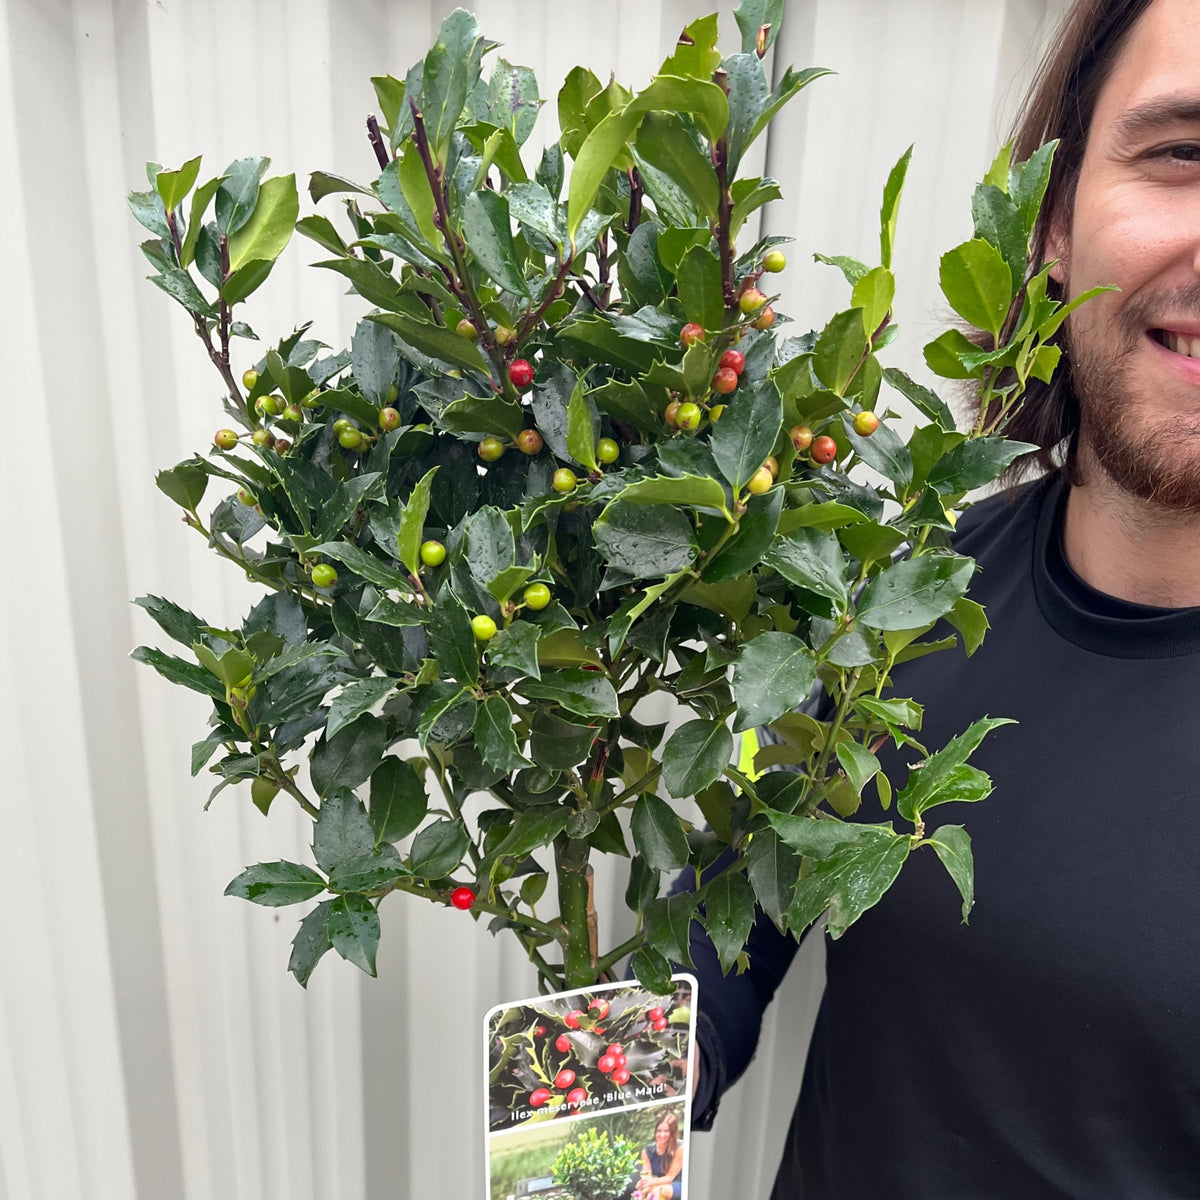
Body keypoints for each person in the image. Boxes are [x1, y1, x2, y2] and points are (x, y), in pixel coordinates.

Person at [684, 0, 1200, 1195]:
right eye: (1183, 152)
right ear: (1051, 220)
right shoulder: (884, 601)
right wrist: (588, 1127)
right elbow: (724, 919)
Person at [634, 1112, 683, 1200]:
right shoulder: (647, 1151)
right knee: (643, 1191)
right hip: (658, 1183)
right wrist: (643, 1183)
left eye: (666, 1131)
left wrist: (651, 1182)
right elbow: (647, 1175)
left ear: (672, 1133)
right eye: (659, 1131)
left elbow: (670, 1177)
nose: (661, 1135)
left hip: (678, 1183)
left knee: (658, 1191)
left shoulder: (680, 1148)